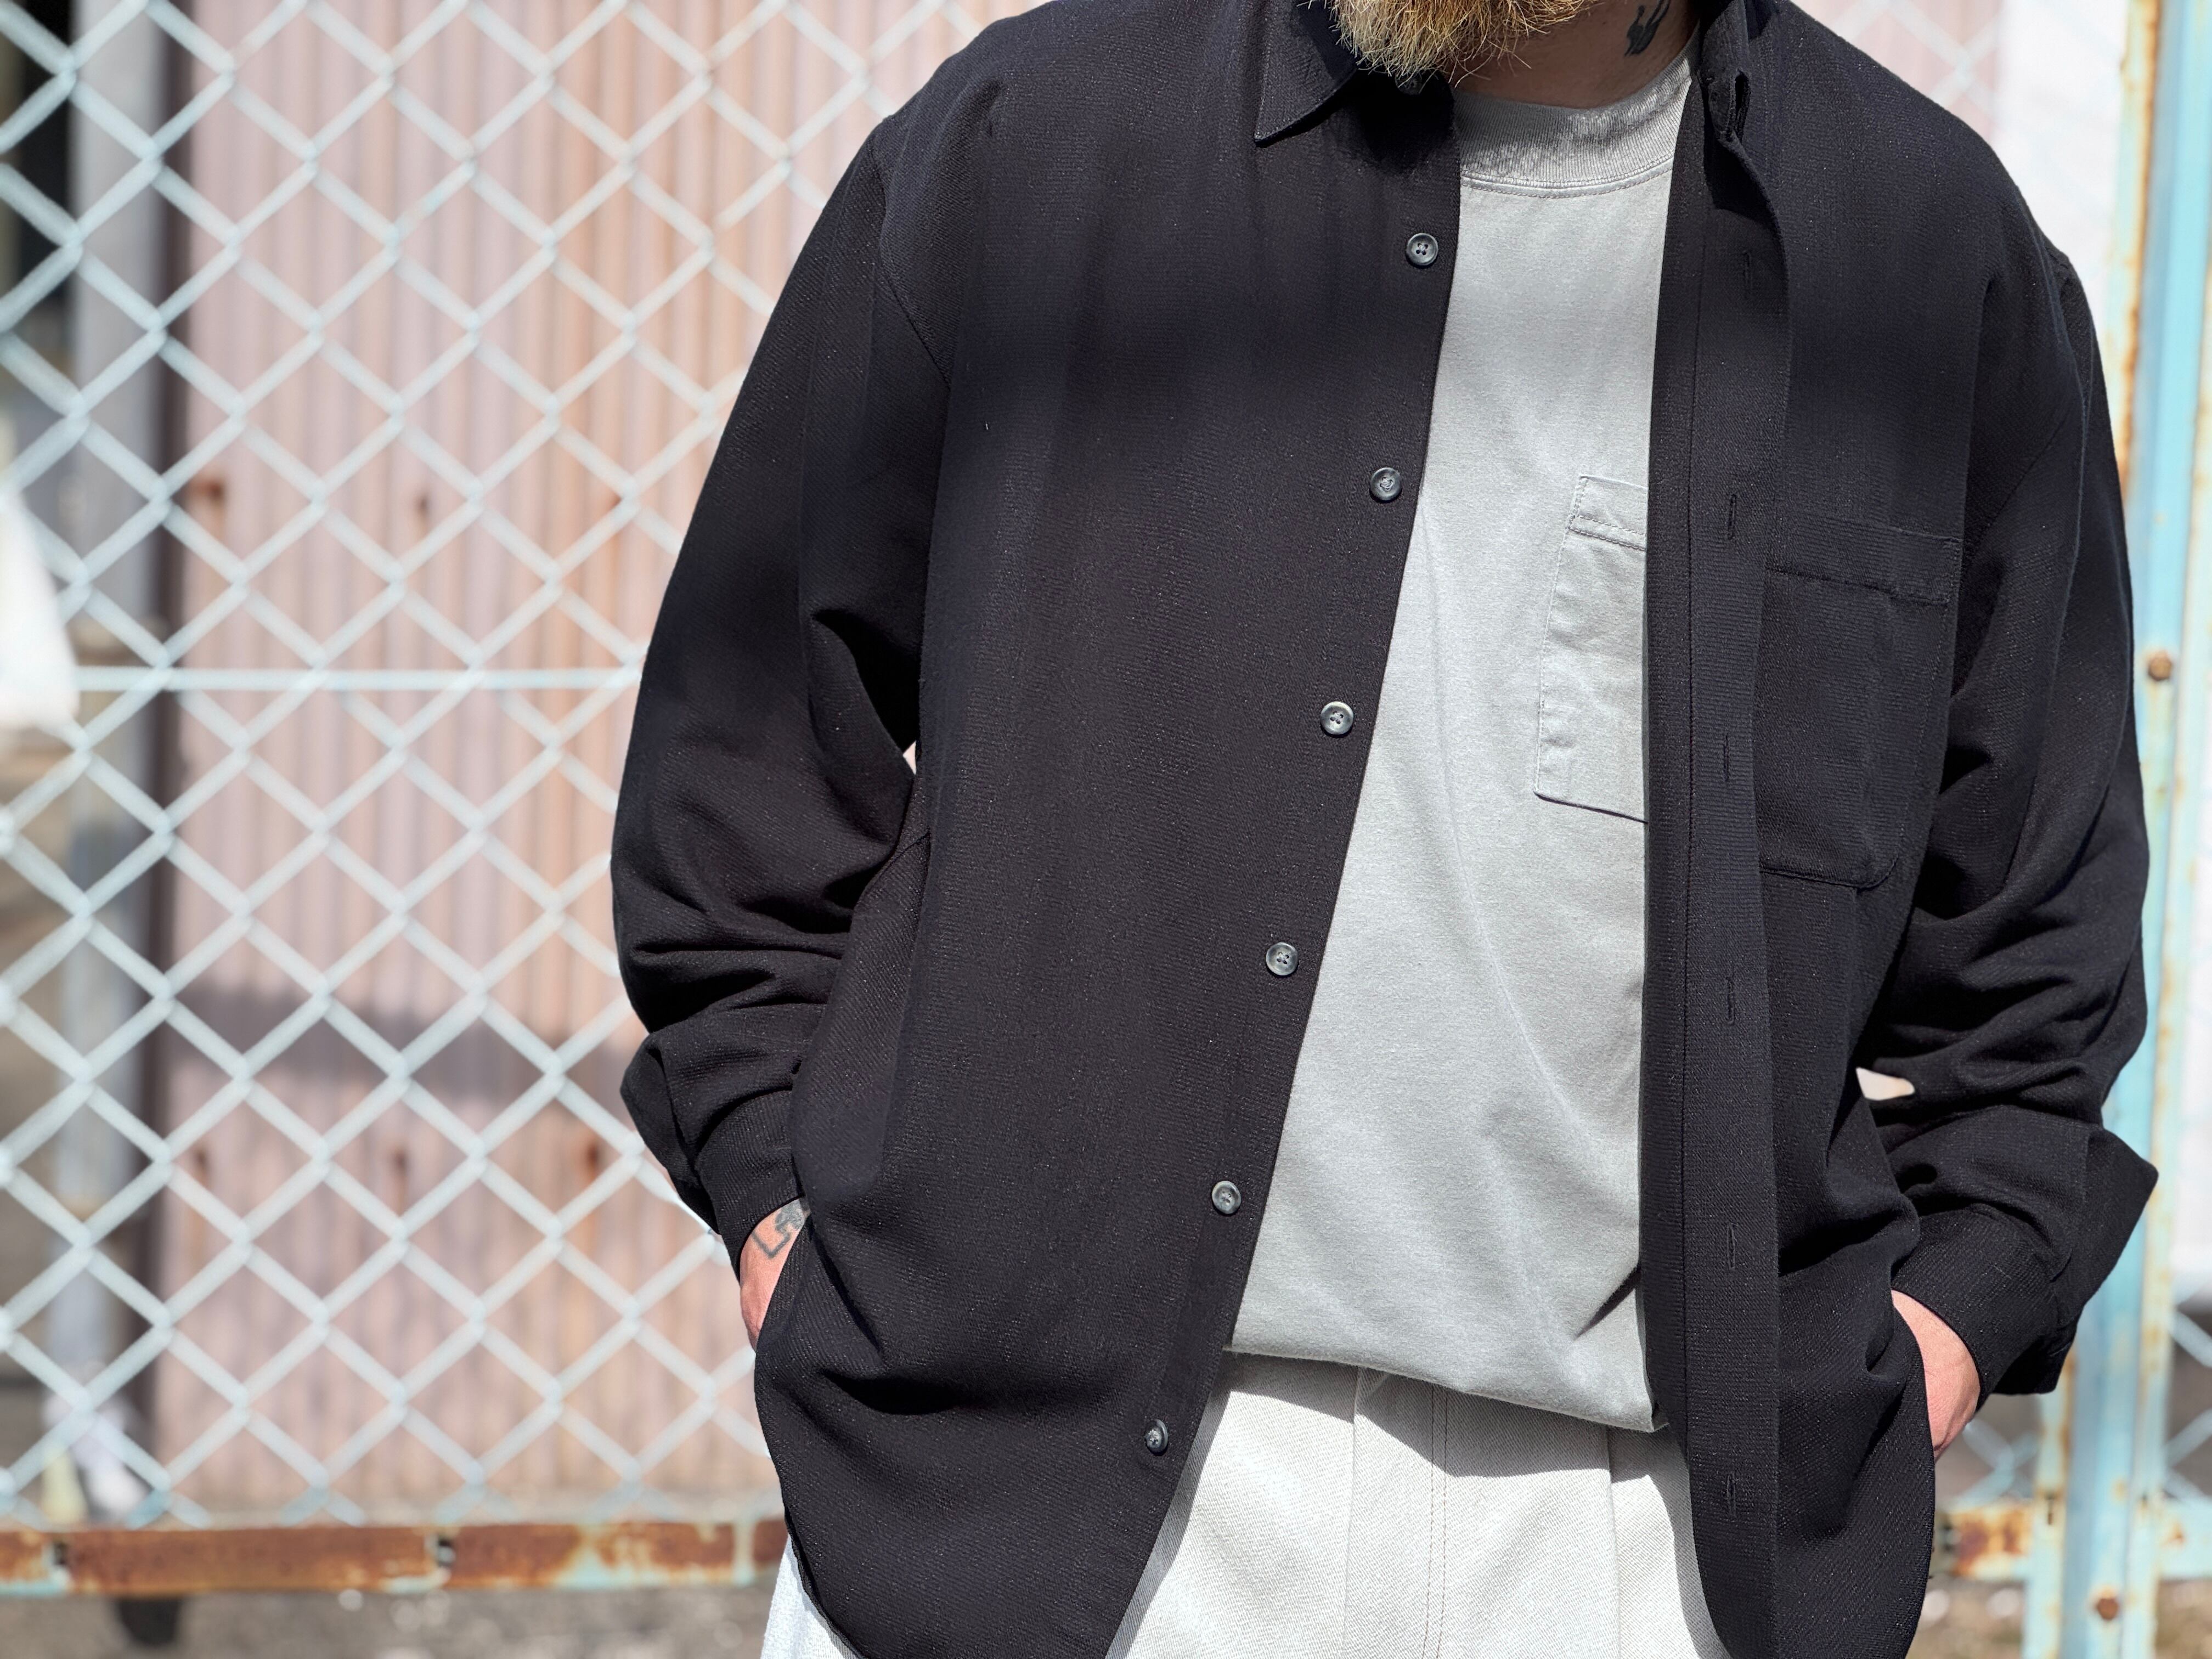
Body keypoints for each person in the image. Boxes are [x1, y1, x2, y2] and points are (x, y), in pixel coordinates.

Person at [609, 0, 2154, 1651]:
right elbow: (745, 776)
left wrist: (1945, 1319)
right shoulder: (1035, 145)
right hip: (1024, 1506)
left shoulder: (1931, 254)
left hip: (1645, 1552)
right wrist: (778, 1204)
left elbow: (2033, 948)